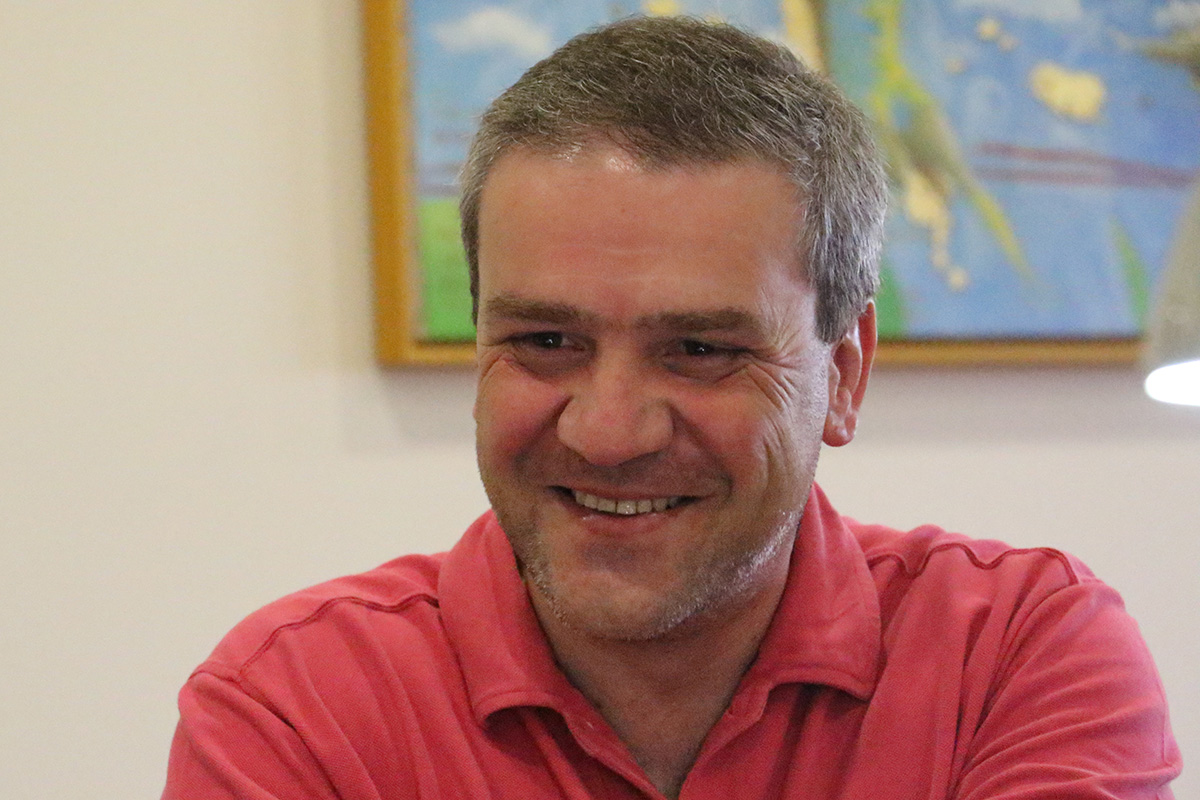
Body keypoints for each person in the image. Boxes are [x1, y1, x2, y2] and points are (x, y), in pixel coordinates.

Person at [162, 16, 1180, 799]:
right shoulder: (298, 704)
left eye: (700, 350)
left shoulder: (1014, 654)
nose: (608, 431)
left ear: (844, 374)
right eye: (545, 342)